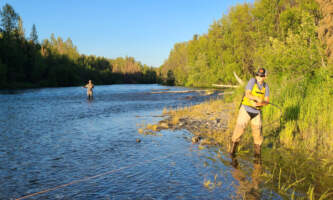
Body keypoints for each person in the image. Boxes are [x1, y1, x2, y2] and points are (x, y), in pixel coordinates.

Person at [230, 68, 269, 158]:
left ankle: (257, 158)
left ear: (265, 77)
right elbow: (247, 94)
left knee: (258, 135)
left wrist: (260, 103)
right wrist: (256, 98)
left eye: (261, 76)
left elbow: (267, 101)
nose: (259, 77)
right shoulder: (252, 81)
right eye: (258, 75)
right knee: (239, 131)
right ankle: (232, 155)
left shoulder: (266, 86)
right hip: (246, 110)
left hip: (257, 112)